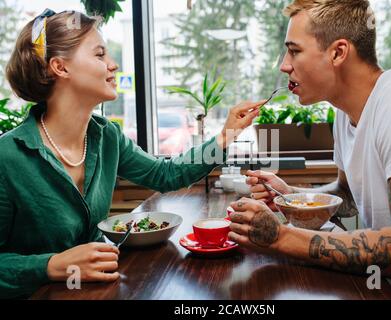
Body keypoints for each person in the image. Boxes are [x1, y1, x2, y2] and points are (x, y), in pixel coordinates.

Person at [0, 9, 263, 299]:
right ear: (60, 67)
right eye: (100, 55)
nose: (113, 65)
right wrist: (50, 265)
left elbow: (164, 174)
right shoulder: (7, 157)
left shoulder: (106, 137)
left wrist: (225, 136)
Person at [228, 0, 391, 300]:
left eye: (294, 50)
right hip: (389, 287)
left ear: (338, 52)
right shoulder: (344, 115)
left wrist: (281, 237)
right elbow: (348, 196)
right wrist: (289, 197)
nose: (284, 64)